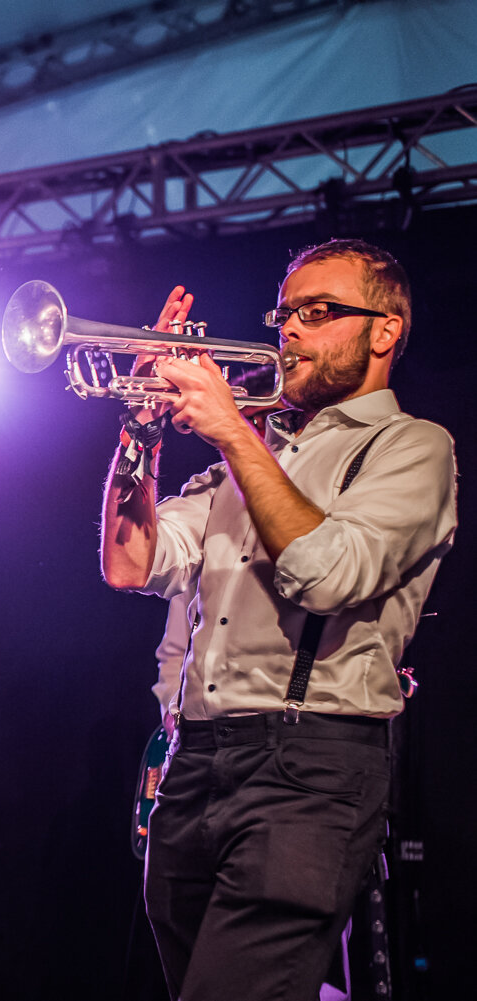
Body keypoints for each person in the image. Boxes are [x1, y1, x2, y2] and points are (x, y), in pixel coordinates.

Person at [100, 238, 457, 1000]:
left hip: (309, 765)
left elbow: (328, 573)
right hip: (195, 765)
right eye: (286, 312)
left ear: (384, 330)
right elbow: (132, 562)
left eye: (319, 312)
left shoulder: (411, 447)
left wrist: (232, 430)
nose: (289, 330)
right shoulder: (258, 447)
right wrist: (140, 430)